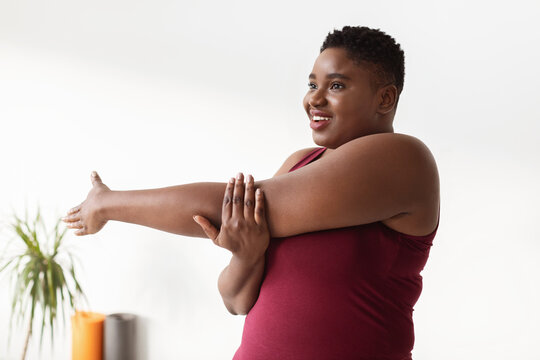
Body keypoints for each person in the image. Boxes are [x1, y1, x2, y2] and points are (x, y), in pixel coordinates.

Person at [63, 26, 440, 359]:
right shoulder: (300, 162)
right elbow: (236, 300)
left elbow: (224, 207)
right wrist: (246, 255)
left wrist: (108, 203)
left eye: (336, 85)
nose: (314, 99)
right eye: (312, 84)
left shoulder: (404, 159)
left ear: (385, 99)